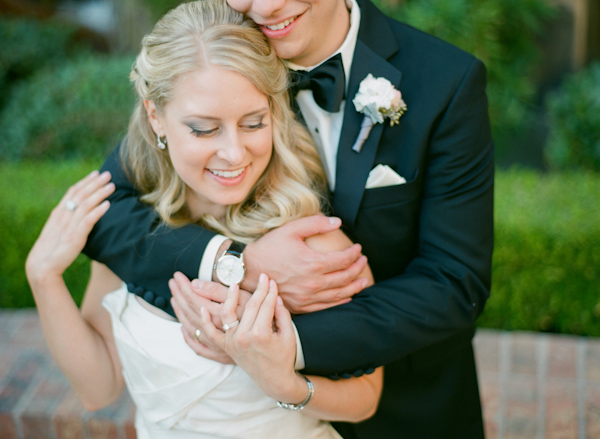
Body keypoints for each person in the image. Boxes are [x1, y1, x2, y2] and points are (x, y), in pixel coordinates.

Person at [83, 0, 495, 436]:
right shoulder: (222, 50)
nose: (265, 6)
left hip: (408, 409)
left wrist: (280, 344)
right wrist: (236, 262)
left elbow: (454, 280)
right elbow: (109, 210)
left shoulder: (446, 80)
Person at [26, 1, 383, 438]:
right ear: (155, 116)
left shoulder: (312, 246)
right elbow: (97, 390)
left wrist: (280, 380)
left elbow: (366, 398)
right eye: (203, 128)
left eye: (253, 123)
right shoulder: (134, 229)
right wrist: (43, 276)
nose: (234, 154)